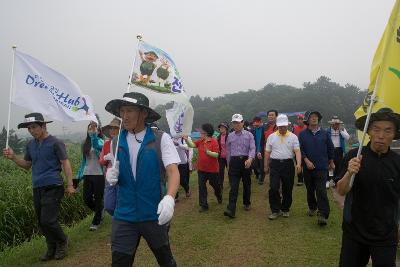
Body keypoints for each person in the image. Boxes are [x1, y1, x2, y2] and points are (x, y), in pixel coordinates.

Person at [104, 92, 180, 267]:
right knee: (120, 262)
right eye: (122, 111)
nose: (124, 116)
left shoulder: (160, 138)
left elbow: (172, 171)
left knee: (165, 260)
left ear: (144, 113)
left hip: (153, 213)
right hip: (124, 214)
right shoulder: (116, 142)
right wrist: (111, 177)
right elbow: (115, 170)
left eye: (130, 110)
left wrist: (169, 198)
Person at [2, 113, 74, 261]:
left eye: (34, 127)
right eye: (29, 128)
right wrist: (14, 157)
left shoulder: (55, 143)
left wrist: (70, 185)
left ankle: (62, 241)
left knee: (48, 220)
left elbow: (65, 163)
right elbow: (27, 165)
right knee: (42, 221)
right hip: (37, 187)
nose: (31, 130)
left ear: (43, 126)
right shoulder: (30, 144)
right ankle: (51, 248)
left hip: (54, 185)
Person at [336, 108, 400, 267]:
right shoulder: (354, 156)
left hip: (386, 234)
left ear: (394, 135)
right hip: (355, 232)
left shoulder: (397, 162)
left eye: (387, 130)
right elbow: (341, 190)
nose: (381, 135)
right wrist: (349, 173)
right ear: (369, 131)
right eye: (376, 129)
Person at [298, 110, 334, 226]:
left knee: (321, 190)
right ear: (307, 120)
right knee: (310, 189)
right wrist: (306, 160)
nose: (314, 118)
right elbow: (300, 150)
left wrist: (331, 161)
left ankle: (323, 214)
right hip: (308, 167)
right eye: (312, 117)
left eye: (316, 117)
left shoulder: (324, 134)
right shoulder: (302, 134)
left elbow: (330, 148)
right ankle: (312, 207)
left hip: (322, 167)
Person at [264, 114, 301, 220]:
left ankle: (285, 208)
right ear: (277, 126)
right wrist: (266, 166)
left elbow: (297, 151)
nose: (282, 128)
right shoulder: (271, 137)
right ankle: (275, 210)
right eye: (280, 126)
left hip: (288, 164)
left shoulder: (293, 137)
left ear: (287, 125)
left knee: (287, 188)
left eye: (284, 126)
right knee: (274, 187)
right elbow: (267, 152)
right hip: (275, 164)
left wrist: (298, 164)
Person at [183, 123, 222, 212]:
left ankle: (219, 195)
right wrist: (186, 140)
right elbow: (192, 145)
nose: (200, 133)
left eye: (202, 131)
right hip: (201, 169)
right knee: (201, 187)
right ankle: (204, 205)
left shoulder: (214, 141)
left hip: (212, 170)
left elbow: (217, 155)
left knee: (215, 185)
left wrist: (208, 152)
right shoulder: (200, 141)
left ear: (207, 132)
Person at [224, 114, 256, 218]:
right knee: (234, 186)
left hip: (246, 161)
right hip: (234, 162)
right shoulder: (230, 136)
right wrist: (228, 164)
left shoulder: (249, 135)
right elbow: (228, 151)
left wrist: (250, 159)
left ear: (242, 122)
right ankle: (231, 209)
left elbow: (252, 148)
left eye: (238, 122)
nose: (236, 125)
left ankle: (246, 202)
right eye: (234, 123)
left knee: (247, 183)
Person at [76, 120, 105, 231]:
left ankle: (96, 222)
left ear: (98, 131)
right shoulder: (84, 144)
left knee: (98, 198)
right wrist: (79, 176)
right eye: (90, 128)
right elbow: (84, 162)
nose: (92, 130)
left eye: (94, 128)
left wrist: (93, 137)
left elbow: (97, 146)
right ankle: (100, 210)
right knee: (87, 199)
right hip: (88, 174)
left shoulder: (101, 142)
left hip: (99, 174)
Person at [327, 115, 350, 188]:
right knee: (330, 166)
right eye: (335, 124)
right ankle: (329, 180)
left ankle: (335, 180)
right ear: (332, 124)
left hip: (339, 150)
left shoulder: (342, 130)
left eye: (338, 124)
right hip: (330, 150)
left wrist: (341, 131)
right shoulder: (328, 131)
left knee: (338, 165)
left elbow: (347, 137)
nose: (336, 125)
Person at [262, 110, 278, 185]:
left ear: (276, 116)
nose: (270, 116)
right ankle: (273, 188)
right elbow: (262, 140)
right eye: (269, 115)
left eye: (272, 115)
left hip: (277, 152)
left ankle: (279, 191)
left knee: (278, 172)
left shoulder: (279, 126)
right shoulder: (264, 127)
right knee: (268, 172)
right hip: (267, 153)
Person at [172, 135, 191, 200]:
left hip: (183, 162)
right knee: (174, 180)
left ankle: (187, 189)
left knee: (182, 180)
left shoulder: (183, 139)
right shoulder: (171, 139)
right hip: (174, 163)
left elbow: (186, 147)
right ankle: (176, 197)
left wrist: (178, 144)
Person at [250, 116, 266, 185]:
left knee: (262, 164)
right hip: (255, 149)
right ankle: (259, 173)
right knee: (254, 164)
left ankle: (261, 178)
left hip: (262, 148)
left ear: (260, 122)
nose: (256, 123)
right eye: (255, 122)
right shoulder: (253, 130)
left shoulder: (264, 129)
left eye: (257, 122)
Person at [293, 114, 307, 186]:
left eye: (301, 119)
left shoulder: (307, 127)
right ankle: (300, 179)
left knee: (306, 164)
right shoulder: (294, 128)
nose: (299, 121)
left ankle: (307, 178)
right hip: (297, 149)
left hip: (306, 149)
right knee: (298, 165)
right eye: (298, 119)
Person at [217, 122, 229, 191]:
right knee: (220, 171)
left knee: (230, 170)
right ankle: (220, 185)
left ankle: (232, 184)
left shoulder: (229, 136)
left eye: (222, 127)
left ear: (226, 128)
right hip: (221, 157)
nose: (221, 129)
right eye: (220, 127)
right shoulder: (219, 137)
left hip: (228, 157)